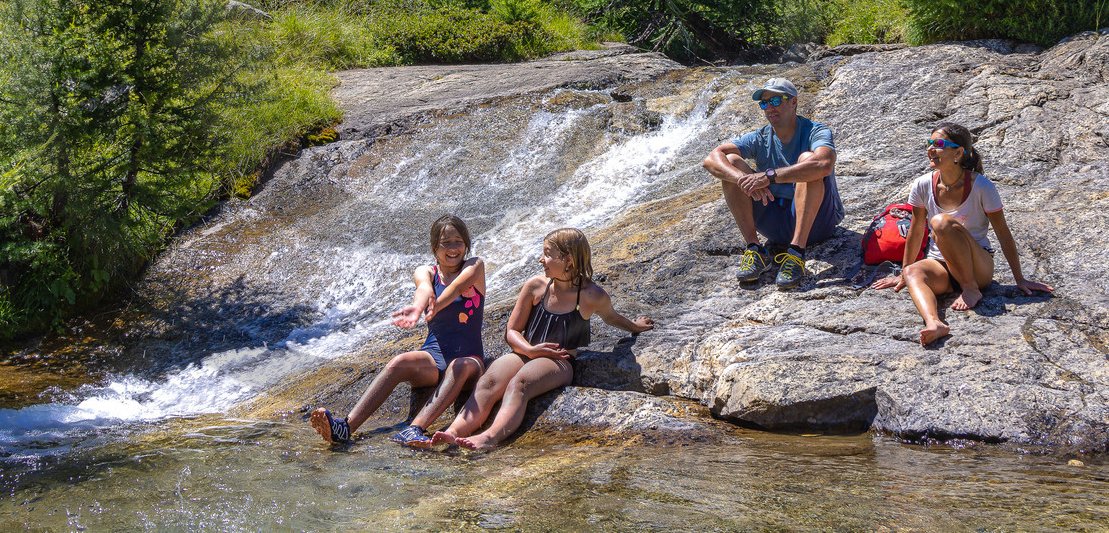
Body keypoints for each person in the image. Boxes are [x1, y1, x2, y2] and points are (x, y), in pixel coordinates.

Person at [426, 228, 652, 451]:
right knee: (488, 380)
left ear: (568, 260)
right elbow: (512, 331)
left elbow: (612, 317)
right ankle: (453, 431)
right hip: (525, 352)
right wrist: (530, 350)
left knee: (520, 383)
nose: (540, 259)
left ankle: (489, 437)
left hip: (558, 360)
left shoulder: (591, 295)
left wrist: (635, 326)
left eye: (547, 253)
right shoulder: (536, 286)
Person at [309, 214, 486, 446]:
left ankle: (414, 429)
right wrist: (417, 307)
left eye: (458, 241)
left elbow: (456, 287)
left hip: (469, 358)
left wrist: (436, 305)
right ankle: (346, 427)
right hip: (433, 358)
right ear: (435, 248)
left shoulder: (475, 266)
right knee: (399, 361)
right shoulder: (426, 272)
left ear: (466, 244)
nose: (453, 248)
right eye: (446, 243)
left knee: (458, 366)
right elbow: (424, 288)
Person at [871, 122, 1053, 343]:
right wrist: (904, 270)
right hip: (941, 266)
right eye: (929, 143)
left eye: (938, 144)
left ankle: (970, 288)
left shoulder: (983, 187)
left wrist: (1019, 279)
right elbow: (916, 230)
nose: (930, 149)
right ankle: (934, 323)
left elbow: (1003, 233)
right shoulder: (922, 185)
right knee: (912, 274)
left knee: (940, 223)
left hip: (978, 267)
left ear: (958, 152)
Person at [701, 76, 843, 288]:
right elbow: (711, 159)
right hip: (774, 222)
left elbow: (824, 163)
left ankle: (796, 253)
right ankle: (755, 249)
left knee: (808, 162)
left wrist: (768, 176)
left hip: (816, 223)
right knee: (730, 163)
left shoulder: (816, 130)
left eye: (775, 101)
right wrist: (744, 180)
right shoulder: (760, 137)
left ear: (793, 102)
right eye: (764, 103)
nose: (769, 108)